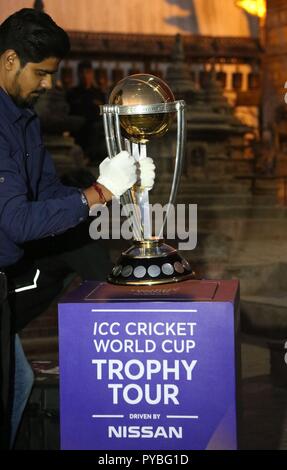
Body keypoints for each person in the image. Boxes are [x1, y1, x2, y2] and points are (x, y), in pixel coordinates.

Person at [0, 8, 155, 448]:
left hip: (6, 275)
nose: (49, 84)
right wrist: (100, 193)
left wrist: (105, 181)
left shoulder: (23, 120)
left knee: (18, 382)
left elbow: (47, 191)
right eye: (42, 73)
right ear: (10, 60)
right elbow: (17, 220)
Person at [66, 60, 107, 165]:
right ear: (78, 74)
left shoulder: (99, 94)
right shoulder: (72, 93)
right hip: (77, 131)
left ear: (92, 74)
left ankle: (89, 157)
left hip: (94, 131)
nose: (85, 76)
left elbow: (104, 113)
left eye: (87, 72)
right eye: (82, 73)